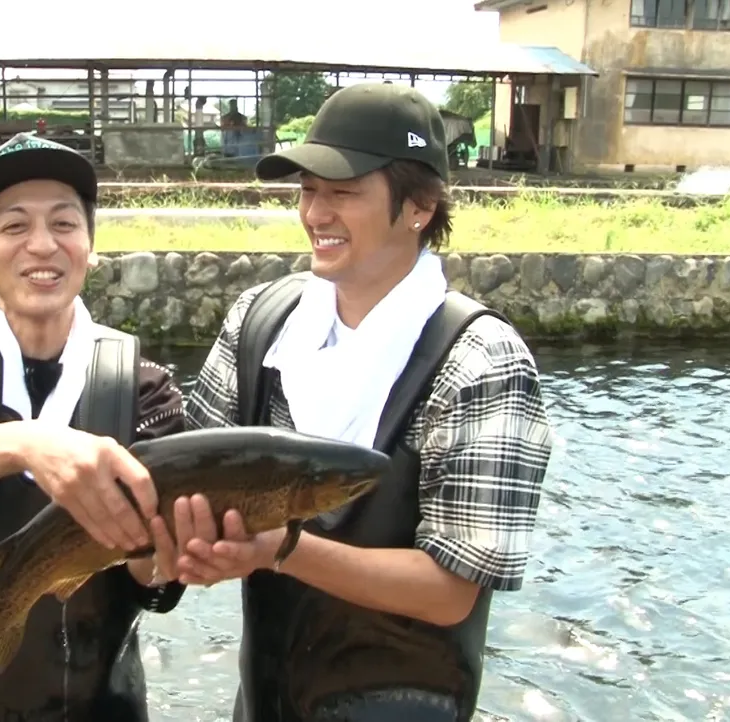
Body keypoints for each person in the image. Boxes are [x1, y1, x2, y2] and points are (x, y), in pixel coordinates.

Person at [177, 83, 554, 722]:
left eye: (343, 192)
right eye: (307, 190)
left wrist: (281, 549)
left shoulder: (480, 360)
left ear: (420, 206)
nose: (316, 213)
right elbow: (186, 471)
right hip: (267, 699)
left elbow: (452, 591)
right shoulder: (260, 323)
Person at [0, 132, 201, 722]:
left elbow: (154, 583)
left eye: (64, 224)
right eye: (14, 226)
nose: (42, 246)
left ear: (90, 246)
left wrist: (166, 551)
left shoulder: (142, 383)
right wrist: (31, 441)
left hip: (100, 703)